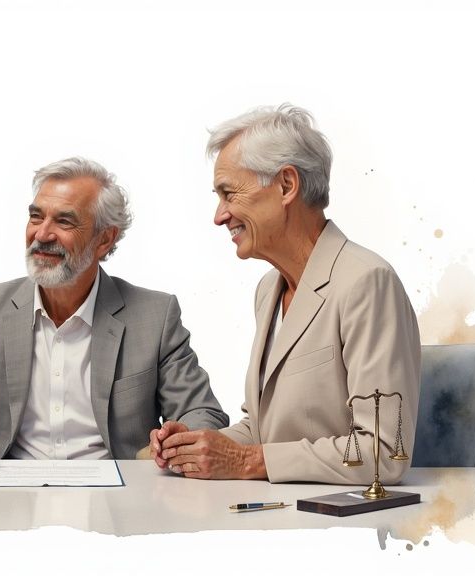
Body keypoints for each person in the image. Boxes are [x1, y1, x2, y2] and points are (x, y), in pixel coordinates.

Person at [150, 104, 420, 483]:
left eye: (229, 194)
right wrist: (196, 448)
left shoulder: (366, 282)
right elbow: (263, 433)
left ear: (286, 185)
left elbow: (384, 452)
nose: (219, 215)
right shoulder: (268, 291)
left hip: (337, 524)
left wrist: (245, 462)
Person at [0, 157, 228, 470]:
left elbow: (203, 414)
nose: (42, 234)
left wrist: (181, 438)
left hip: (119, 505)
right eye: (36, 217)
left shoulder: (155, 317)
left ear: (105, 239)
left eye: (64, 221)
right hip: (6, 501)